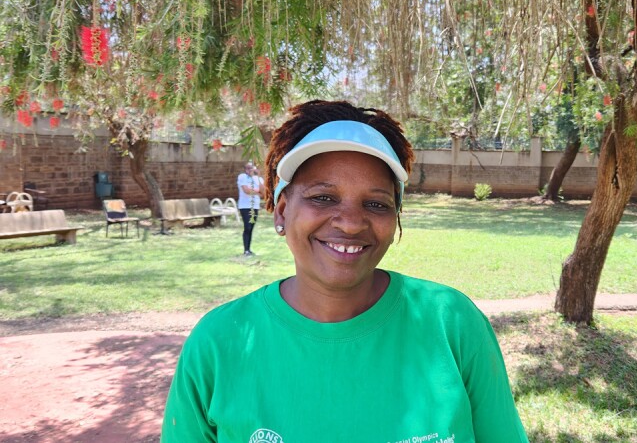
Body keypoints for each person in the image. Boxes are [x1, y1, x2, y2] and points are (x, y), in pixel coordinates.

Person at [162, 100, 528, 442]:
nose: (352, 223)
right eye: (323, 197)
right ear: (281, 211)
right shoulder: (218, 342)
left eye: (375, 203)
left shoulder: (453, 324)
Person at [237, 161, 265, 256]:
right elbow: (246, 190)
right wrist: (257, 192)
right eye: (247, 168)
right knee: (247, 227)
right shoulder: (242, 177)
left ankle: (248, 249)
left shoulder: (258, 179)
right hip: (245, 206)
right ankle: (246, 250)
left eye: (251, 168)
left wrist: (258, 176)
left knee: (251, 228)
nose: (249, 170)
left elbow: (263, 193)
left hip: (255, 206)